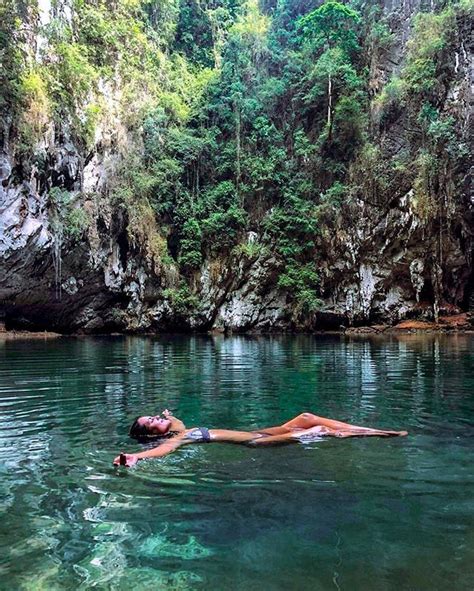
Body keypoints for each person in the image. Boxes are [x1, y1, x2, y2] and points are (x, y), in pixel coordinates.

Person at [113, 410, 407, 467]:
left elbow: (174, 420)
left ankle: (362, 428)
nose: (156, 419)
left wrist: (167, 413)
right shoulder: (174, 441)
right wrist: (136, 457)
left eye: (153, 416)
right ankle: (379, 435)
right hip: (256, 443)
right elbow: (161, 453)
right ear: (151, 436)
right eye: (152, 423)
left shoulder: (179, 427)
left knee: (305, 418)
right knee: (318, 432)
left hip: (259, 432)